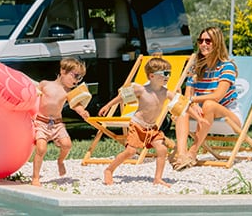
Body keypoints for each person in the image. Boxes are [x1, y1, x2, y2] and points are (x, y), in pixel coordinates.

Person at [99, 56, 174, 187]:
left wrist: (191, 109)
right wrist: (107, 106)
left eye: (170, 73)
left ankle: (158, 178)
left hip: (152, 128)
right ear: (151, 76)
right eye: (165, 73)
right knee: (130, 152)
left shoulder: (166, 92)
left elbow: (180, 102)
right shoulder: (141, 89)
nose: (168, 76)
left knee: (161, 150)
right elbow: (121, 97)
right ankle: (109, 170)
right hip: (137, 125)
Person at [173, 26, 240, 171]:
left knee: (209, 104)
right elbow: (188, 96)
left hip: (229, 115)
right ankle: (182, 154)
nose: (203, 44)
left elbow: (217, 96)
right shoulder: (195, 67)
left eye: (208, 41)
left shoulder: (226, 67)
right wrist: (191, 104)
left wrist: (193, 101)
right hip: (202, 115)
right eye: (200, 40)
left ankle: (193, 152)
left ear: (217, 43)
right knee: (182, 106)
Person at [31, 57, 95, 186]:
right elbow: (33, 92)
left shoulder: (69, 92)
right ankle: (35, 178)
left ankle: (60, 161)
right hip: (42, 122)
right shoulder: (45, 84)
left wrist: (82, 111)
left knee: (67, 145)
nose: (76, 81)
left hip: (57, 124)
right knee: (41, 149)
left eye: (80, 78)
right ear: (63, 71)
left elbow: (75, 104)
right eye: (75, 76)